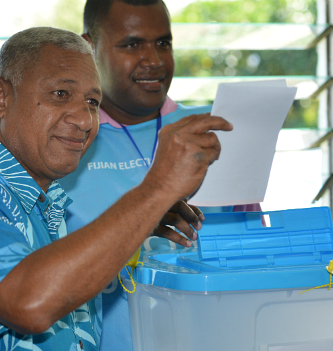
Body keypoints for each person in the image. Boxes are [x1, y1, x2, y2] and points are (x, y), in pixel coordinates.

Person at [0, 27, 232, 351]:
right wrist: (155, 191)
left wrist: (138, 226)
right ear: (1, 97)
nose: (83, 120)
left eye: (93, 102)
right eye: (60, 94)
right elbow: (29, 303)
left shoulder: (43, 205)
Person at [58, 1, 261, 350]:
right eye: (132, 44)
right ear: (89, 47)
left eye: (163, 43)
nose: (154, 60)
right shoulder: (61, 141)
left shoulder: (209, 132)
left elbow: (256, 262)